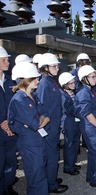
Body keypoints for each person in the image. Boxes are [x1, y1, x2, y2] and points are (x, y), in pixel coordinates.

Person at [8, 62, 49, 195]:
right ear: (25, 80)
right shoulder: (19, 100)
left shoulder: (33, 95)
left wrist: (42, 118)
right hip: (29, 143)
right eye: (34, 78)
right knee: (36, 177)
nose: (38, 80)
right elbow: (37, 123)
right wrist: (42, 119)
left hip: (37, 140)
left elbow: (45, 113)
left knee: (40, 172)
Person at [36, 53, 68, 193]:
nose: (57, 68)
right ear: (45, 68)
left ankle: (51, 179)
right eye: (54, 66)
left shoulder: (51, 81)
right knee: (51, 156)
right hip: (49, 127)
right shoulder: (44, 83)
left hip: (54, 125)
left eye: (57, 65)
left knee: (53, 155)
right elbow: (42, 107)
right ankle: (51, 185)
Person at [74, 65, 96, 191]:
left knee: (94, 152)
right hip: (90, 128)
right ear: (84, 79)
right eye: (92, 77)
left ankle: (92, 176)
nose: (95, 78)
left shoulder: (92, 91)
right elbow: (88, 114)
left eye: (95, 76)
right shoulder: (83, 93)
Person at [0, 46, 18, 195]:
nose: (8, 62)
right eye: (4, 60)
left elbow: (16, 105)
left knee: (11, 160)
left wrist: (9, 121)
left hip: (11, 129)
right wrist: (2, 123)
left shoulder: (11, 82)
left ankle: (8, 186)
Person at [58, 72, 81, 176]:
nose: (73, 84)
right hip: (68, 121)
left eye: (74, 82)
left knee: (75, 143)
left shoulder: (72, 92)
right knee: (70, 144)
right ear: (65, 85)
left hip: (75, 121)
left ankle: (72, 163)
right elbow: (69, 110)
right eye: (71, 83)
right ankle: (68, 167)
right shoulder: (63, 95)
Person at [70, 53, 91, 148]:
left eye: (86, 62)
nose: (85, 63)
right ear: (78, 63)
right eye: (83, 62)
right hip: (76, 104)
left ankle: (86, 142)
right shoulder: (72, 74)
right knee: (77, 126)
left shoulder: (89, 73)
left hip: (85, 102)